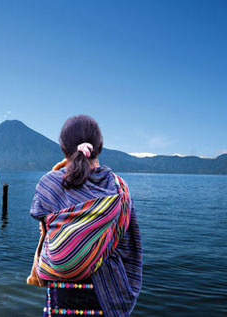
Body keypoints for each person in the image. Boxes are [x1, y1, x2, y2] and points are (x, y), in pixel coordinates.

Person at [28, 115, 143, 316]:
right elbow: (129, 242)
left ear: (64, 148)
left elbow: (40, 215)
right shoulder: (119, 187)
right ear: (98, 147)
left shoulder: (50, 183)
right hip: (106, 294)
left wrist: (60, 169)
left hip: (60, 295)